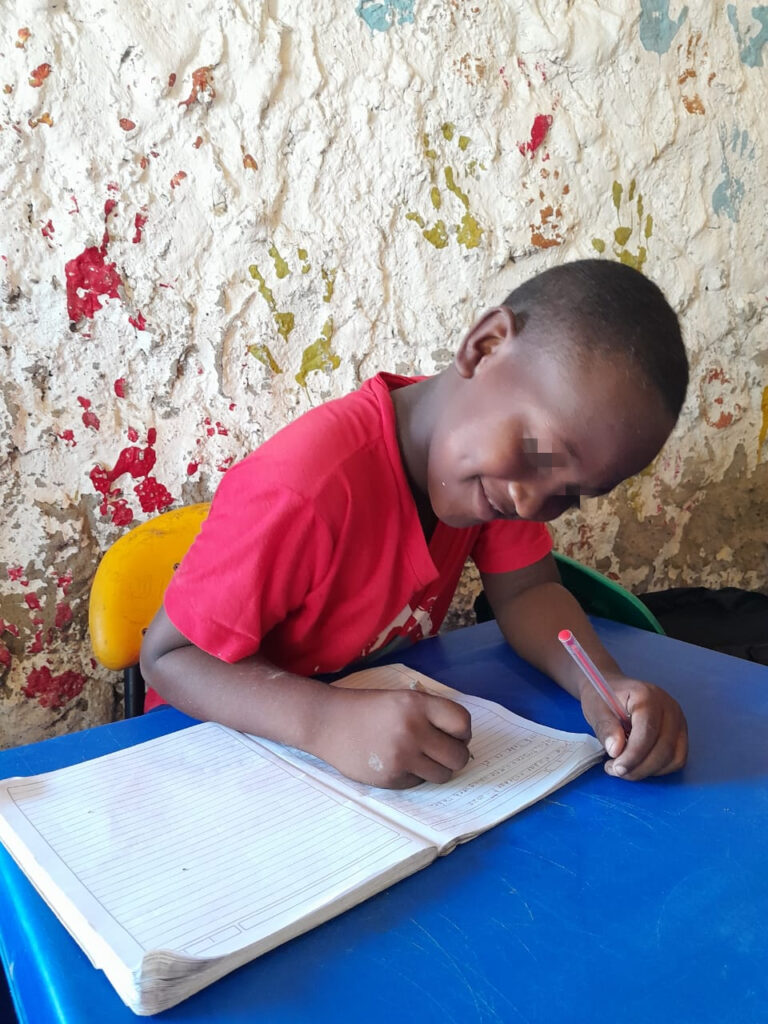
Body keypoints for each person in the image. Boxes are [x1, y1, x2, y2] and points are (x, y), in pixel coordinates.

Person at [141, 259, 689, 789]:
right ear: (485, 347)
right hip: (213, 750)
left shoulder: (494, 476)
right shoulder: (308, 485)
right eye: (539, 452)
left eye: (571, 495)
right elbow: (169, 657)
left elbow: (530, 591)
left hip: (352, 749)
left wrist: (601, 683)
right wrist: (325, 721)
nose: (531, 503)